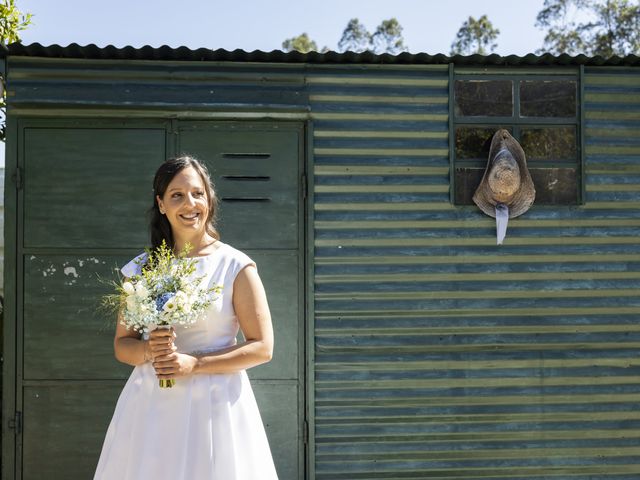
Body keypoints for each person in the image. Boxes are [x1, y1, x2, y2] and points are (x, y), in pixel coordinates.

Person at [94, 156, 279, 479]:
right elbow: (123, 346)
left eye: (197, 193)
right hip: (151, 406)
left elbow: (262, 347)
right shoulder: (140, 270)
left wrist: (195, 364)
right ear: (161, 204)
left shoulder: (235, 266)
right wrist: (151, 350)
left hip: (216, 405)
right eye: (176, 195)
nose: (189, 203)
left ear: (209, 200)